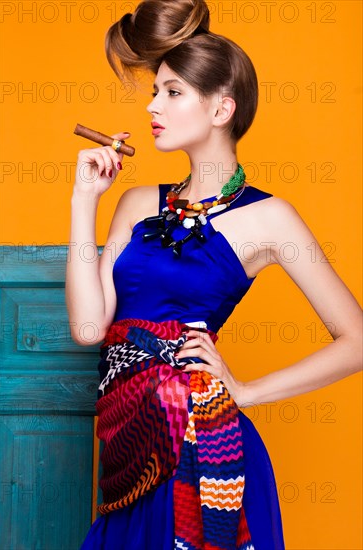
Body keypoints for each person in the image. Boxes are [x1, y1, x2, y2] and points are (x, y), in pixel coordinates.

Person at [65, 1, 362, 548]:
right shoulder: (135, 203)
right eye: (156, 90)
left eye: (172, 92)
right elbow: (89, 329)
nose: (153, 105)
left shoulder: (270, 218)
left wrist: (247, 391)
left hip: (205, 449)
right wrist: (85, 200)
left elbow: (358, 342)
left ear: (222, 109)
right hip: (128, 455)